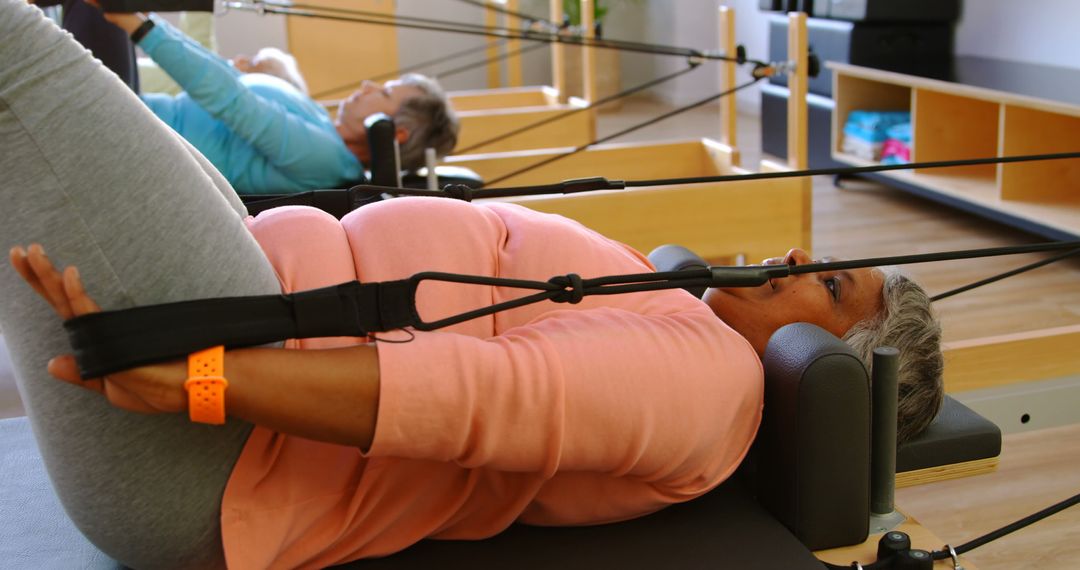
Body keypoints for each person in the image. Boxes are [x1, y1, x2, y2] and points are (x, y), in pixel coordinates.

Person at [0, 2, 943, 568]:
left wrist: (196, 381)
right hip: (242, 322)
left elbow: (469, 397)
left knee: (23, 56)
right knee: (59, 58)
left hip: (223, 447)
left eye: (829, 289)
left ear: (834, 358)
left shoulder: (714, 385)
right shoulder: (684, 319)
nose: (794, 264)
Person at [97, 7, 460, 194]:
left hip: (127, 131)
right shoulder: (324, 129)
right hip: (132, 107)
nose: (366, 85)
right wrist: (144, 23)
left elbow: (231, 99)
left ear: (394, 133)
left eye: (384, 93)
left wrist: (141, 27)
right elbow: (230, 81)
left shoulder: (326, 159)